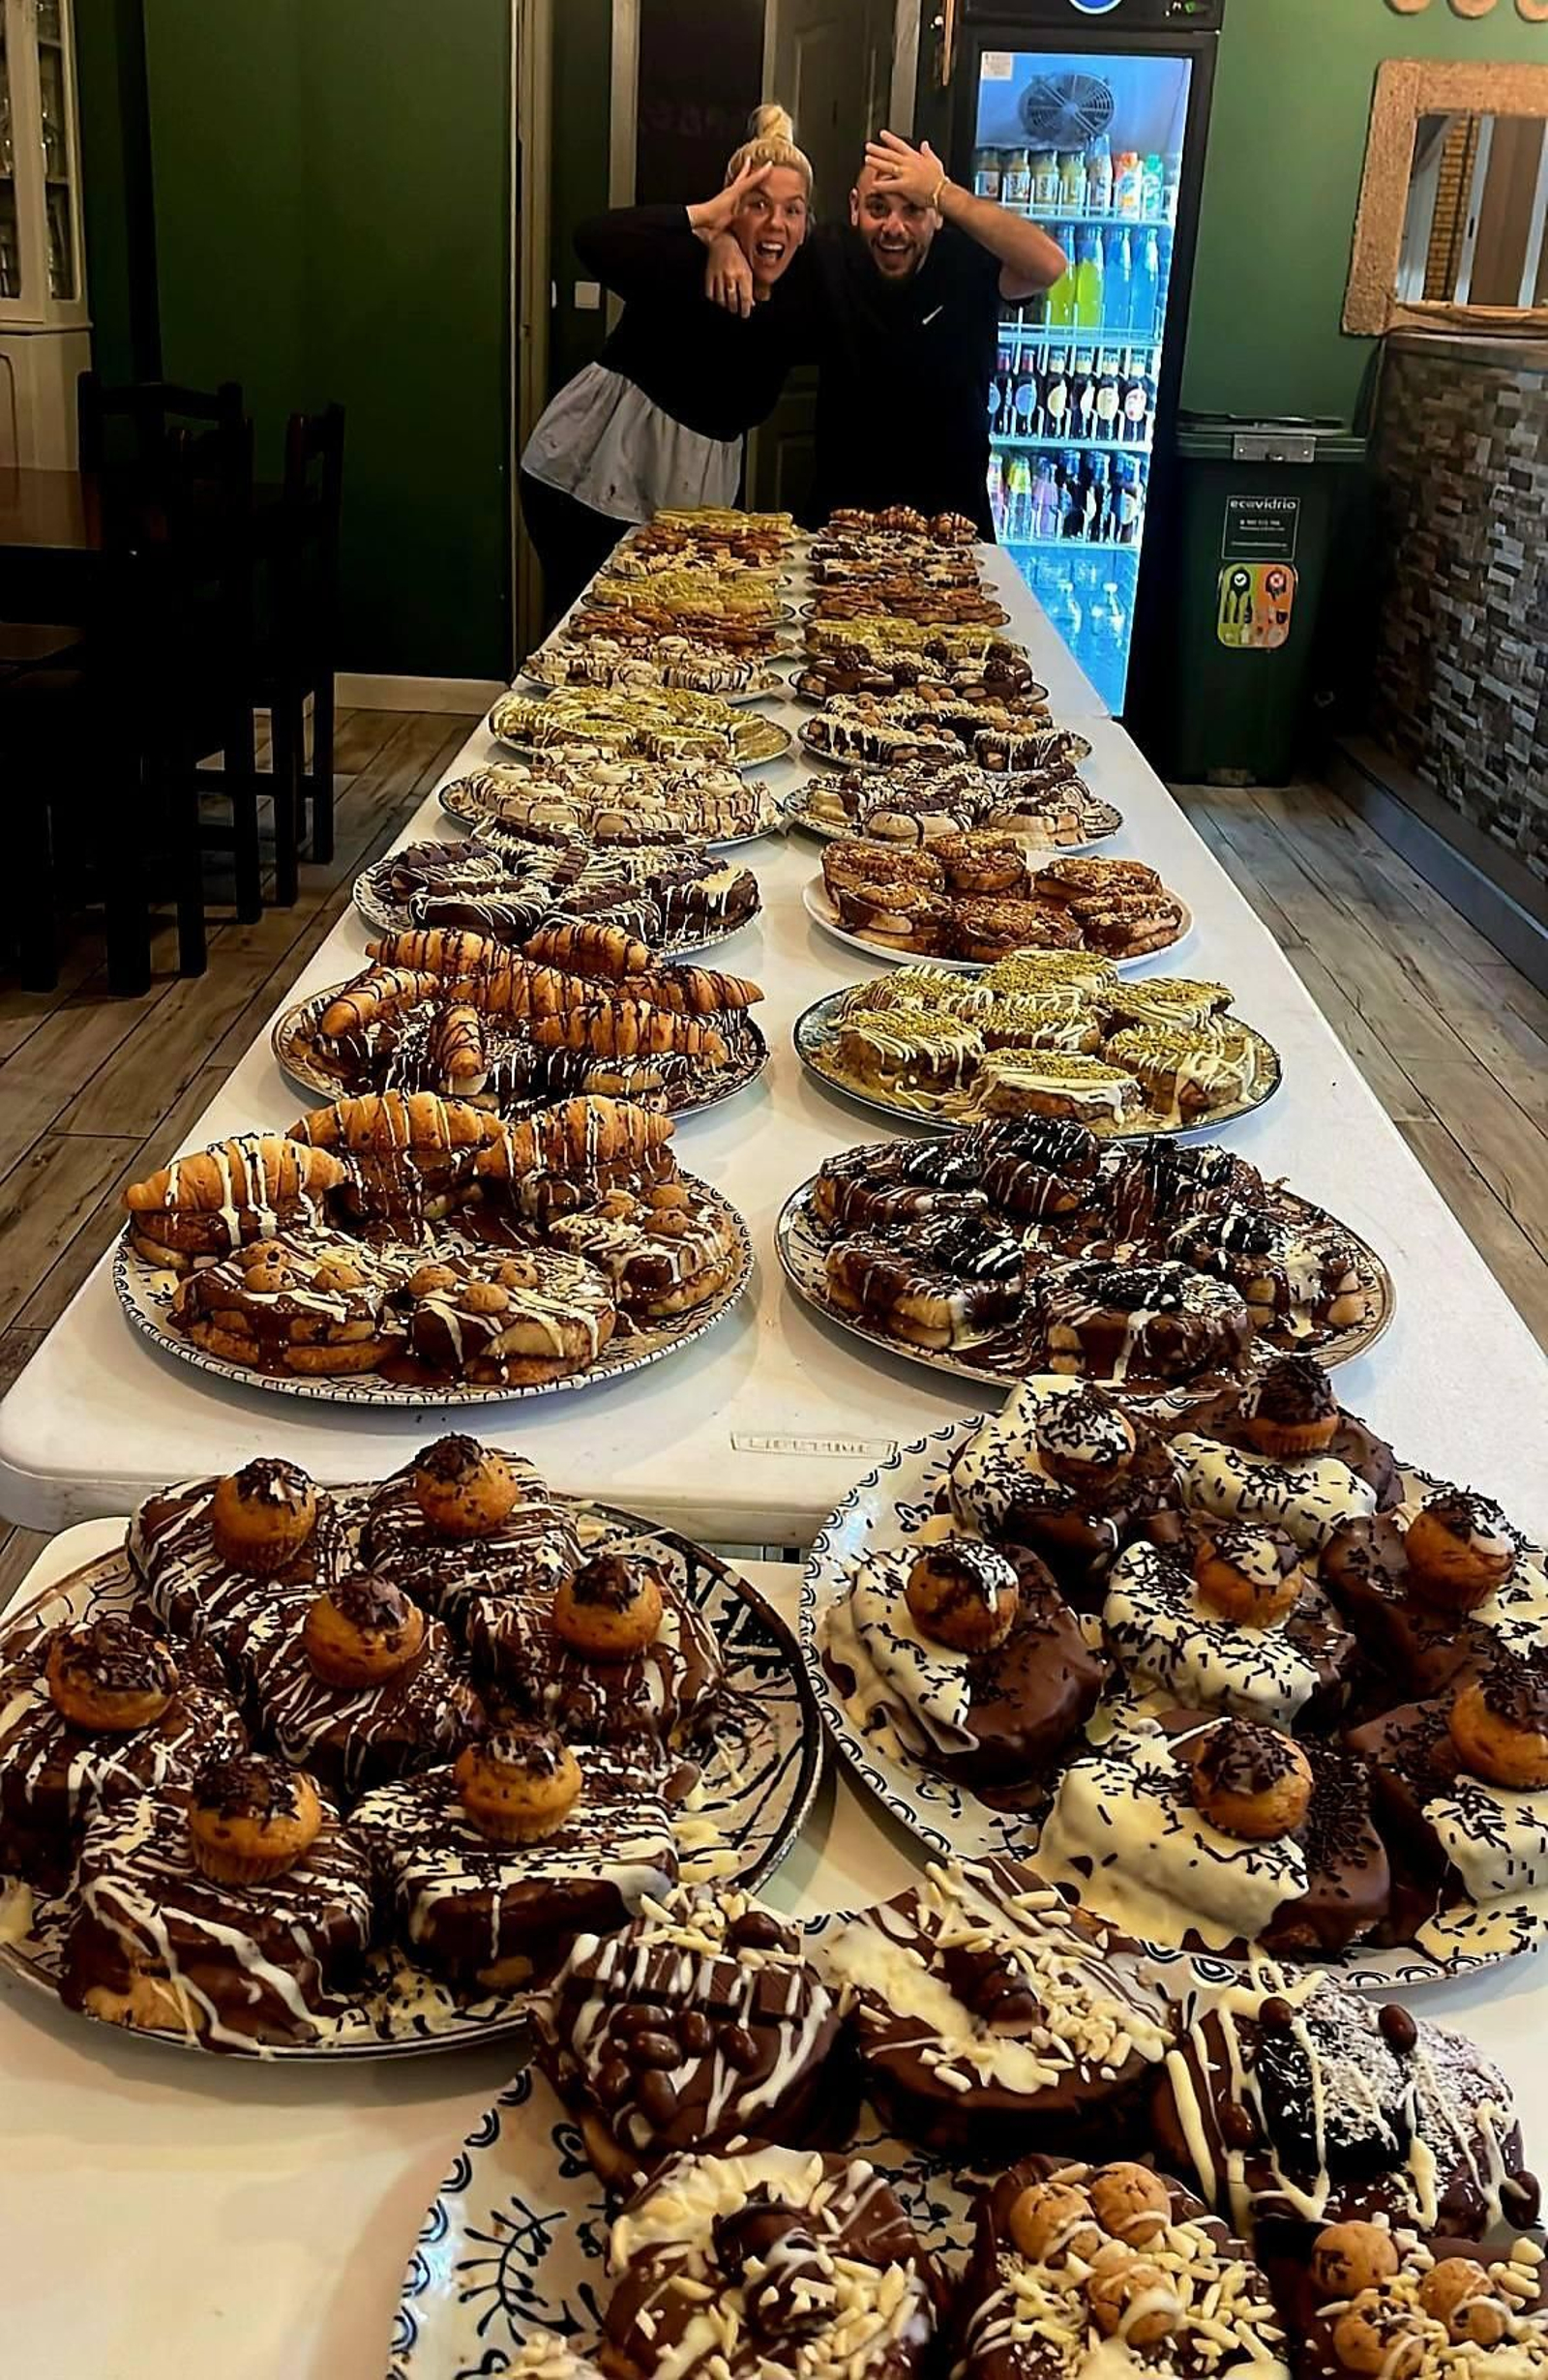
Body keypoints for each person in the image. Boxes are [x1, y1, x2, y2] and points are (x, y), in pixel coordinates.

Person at [519, 106, 814, 617]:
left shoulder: (797, 301)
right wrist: (706, 222)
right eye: (756, 204)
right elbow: (593, 238)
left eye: (792, 210)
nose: (775, 224)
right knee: (591, 637)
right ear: (732, 208)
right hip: (588, 480)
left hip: (684, 500)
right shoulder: (684, 266)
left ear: (807, 224)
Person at [705, 129, 1065, 533]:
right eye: (878, 208)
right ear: (855, 208)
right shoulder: (830, 255)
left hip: (951, 528)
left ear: (936, 215)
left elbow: (1049, 265)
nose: (894, 227)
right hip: (843, 526)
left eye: (913, 209)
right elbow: (769, 237)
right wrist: (724, 243)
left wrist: (944, 191)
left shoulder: (966, 260)